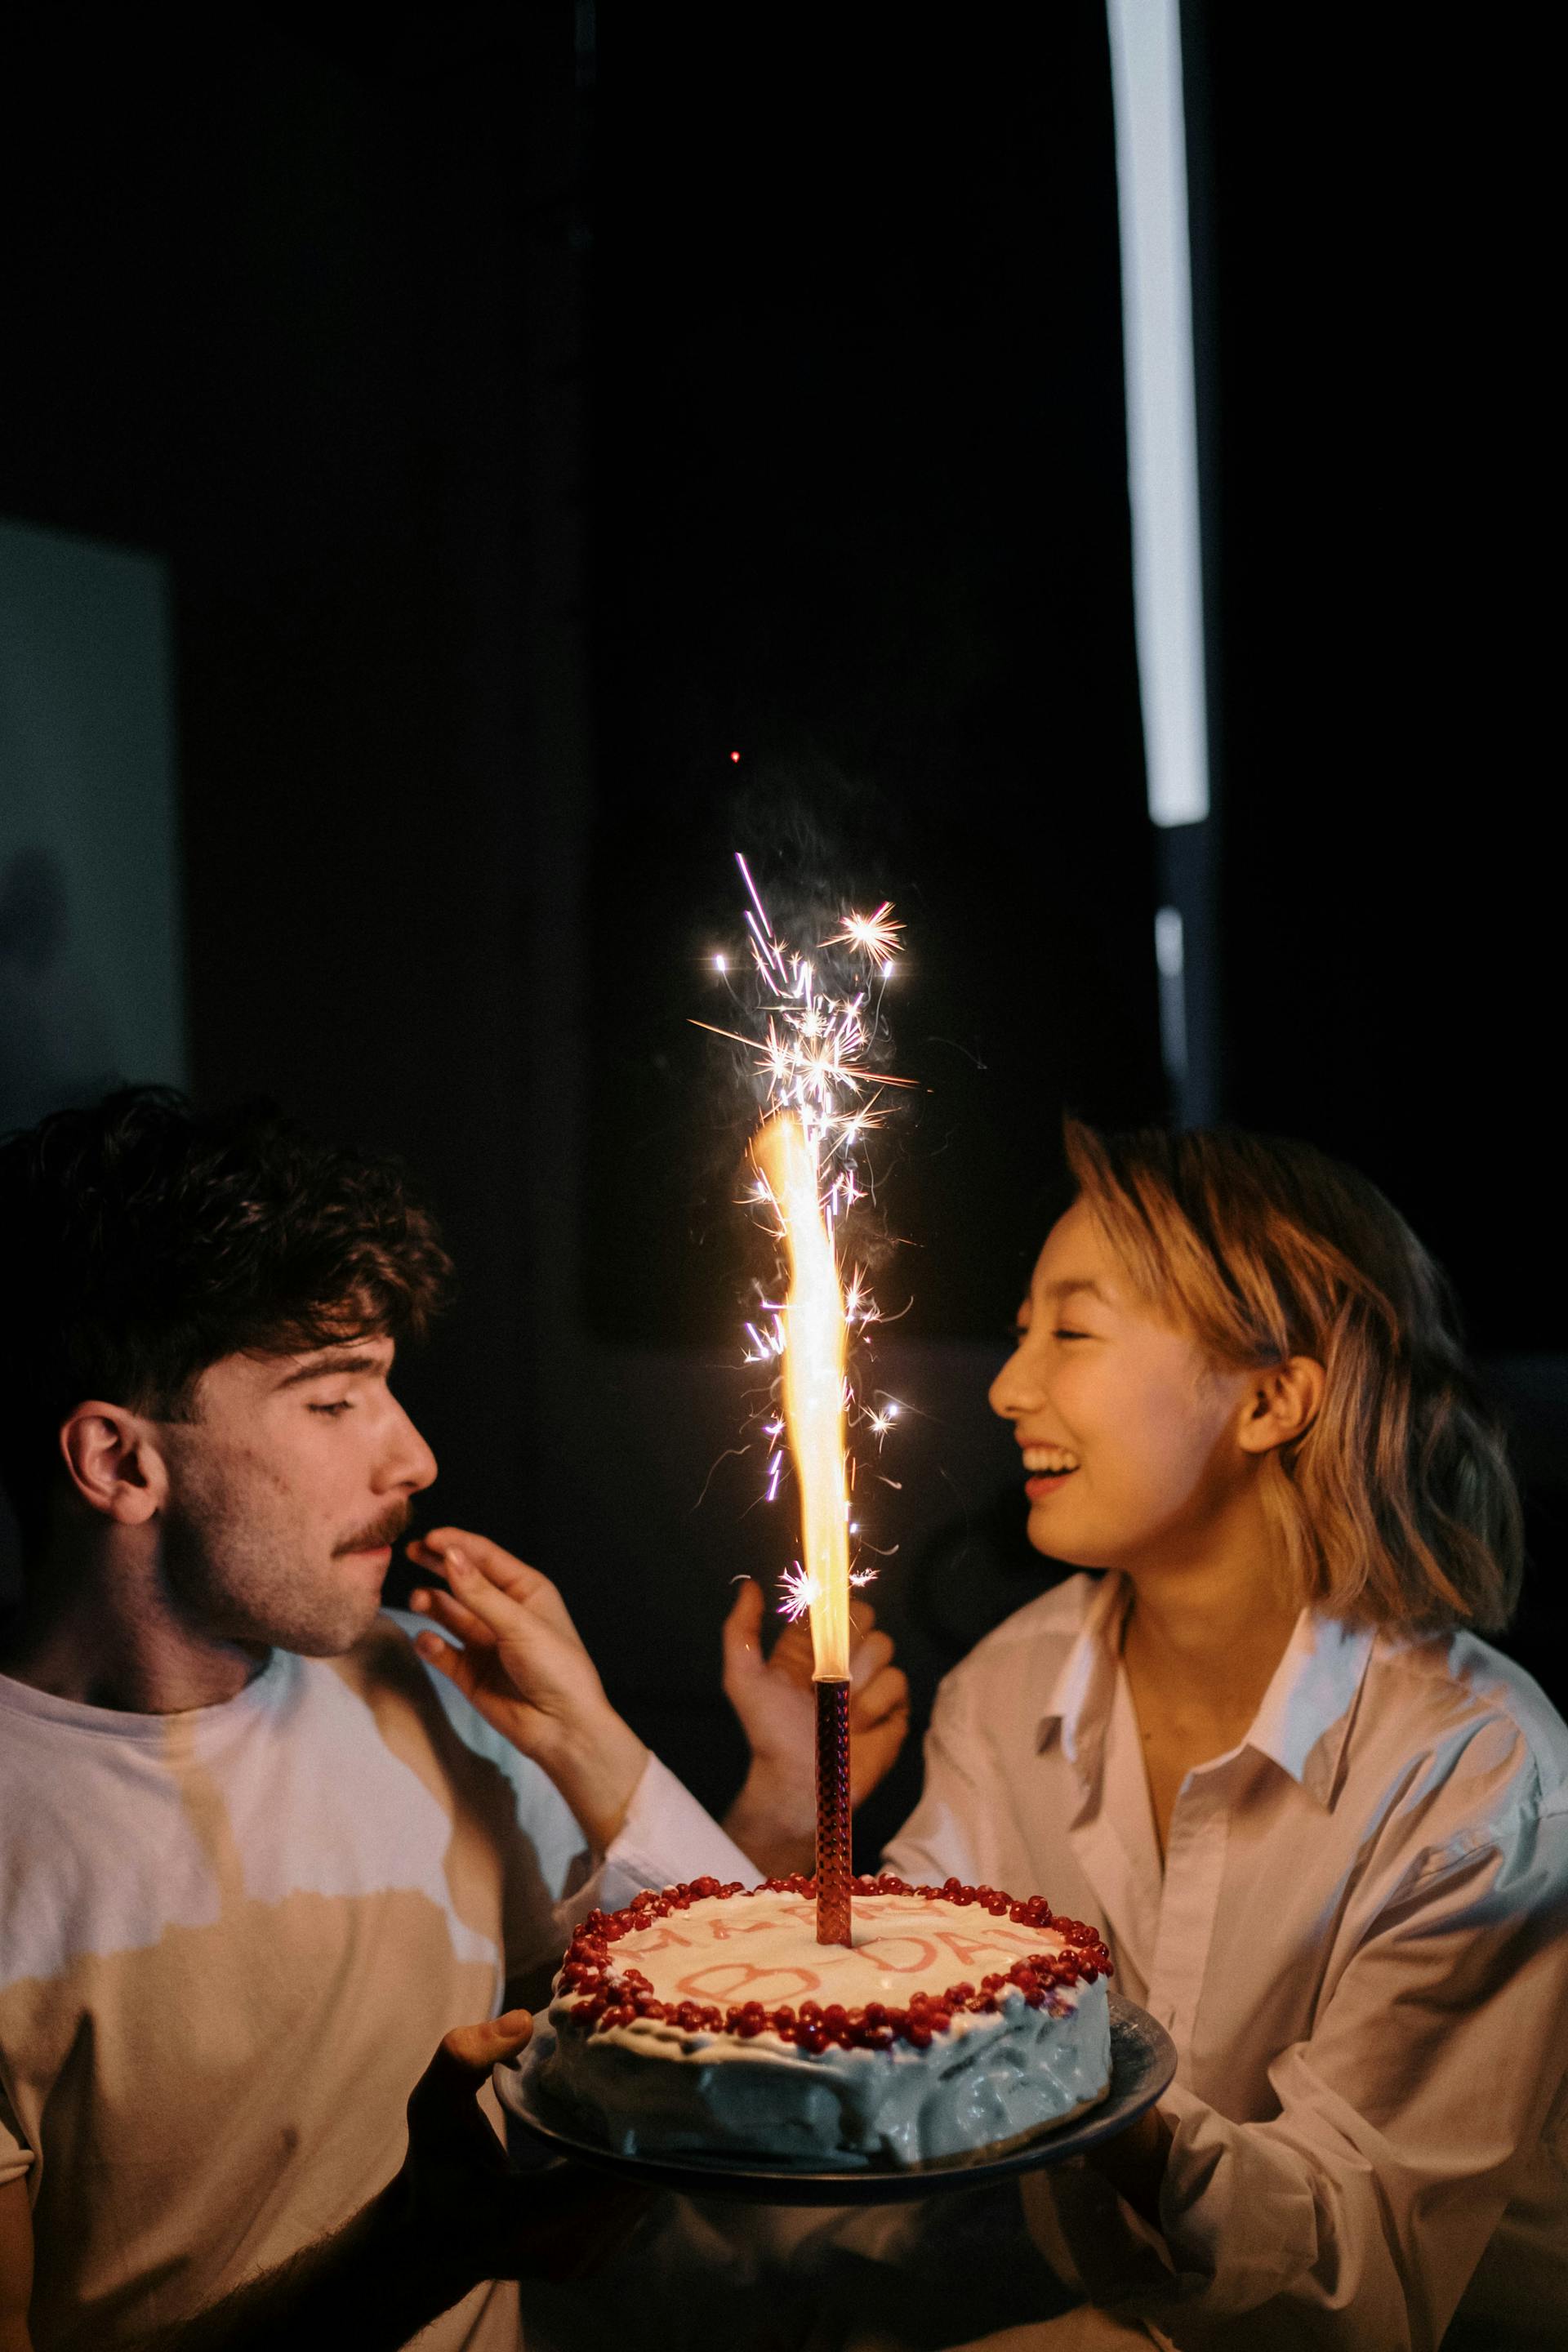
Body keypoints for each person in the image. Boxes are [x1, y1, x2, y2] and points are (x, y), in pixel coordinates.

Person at [0, 1087, 908, 2352]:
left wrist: (747, 1790)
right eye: (334, 1400)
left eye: (390, 1388)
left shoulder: (421, 1680)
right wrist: (420, 2259)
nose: (415, 1456)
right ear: (119, 1463)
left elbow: (660, 1988)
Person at [724, 1121, 1568, 2351]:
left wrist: (1074, 2073)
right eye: (1022, 1330)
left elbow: (1356, 2273)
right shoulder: (1013, 1688)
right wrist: (798, 1835)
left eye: (1072, 1330)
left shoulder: (1477, 1771)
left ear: (1273, 1398)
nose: (1012, 1388)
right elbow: (899, 2037)